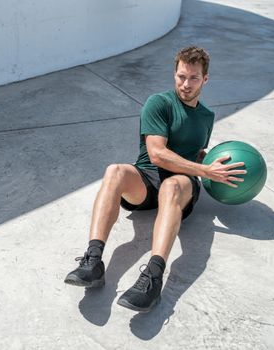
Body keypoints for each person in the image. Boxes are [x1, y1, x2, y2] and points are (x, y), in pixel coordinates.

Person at [64, 46, 246, 312]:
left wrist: (211, 165)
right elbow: (157, 154)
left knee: (172, 186)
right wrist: (207, 171)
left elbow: (195, 153)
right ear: (174, 74)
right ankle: (93, 261)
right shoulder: (159, 103)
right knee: (114, 170)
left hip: (181, 184)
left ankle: (152, 278)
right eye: (181, 76)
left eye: (194, 78)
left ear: (205, 79)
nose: (186, 84)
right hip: (148, 178)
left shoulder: (207, 116)